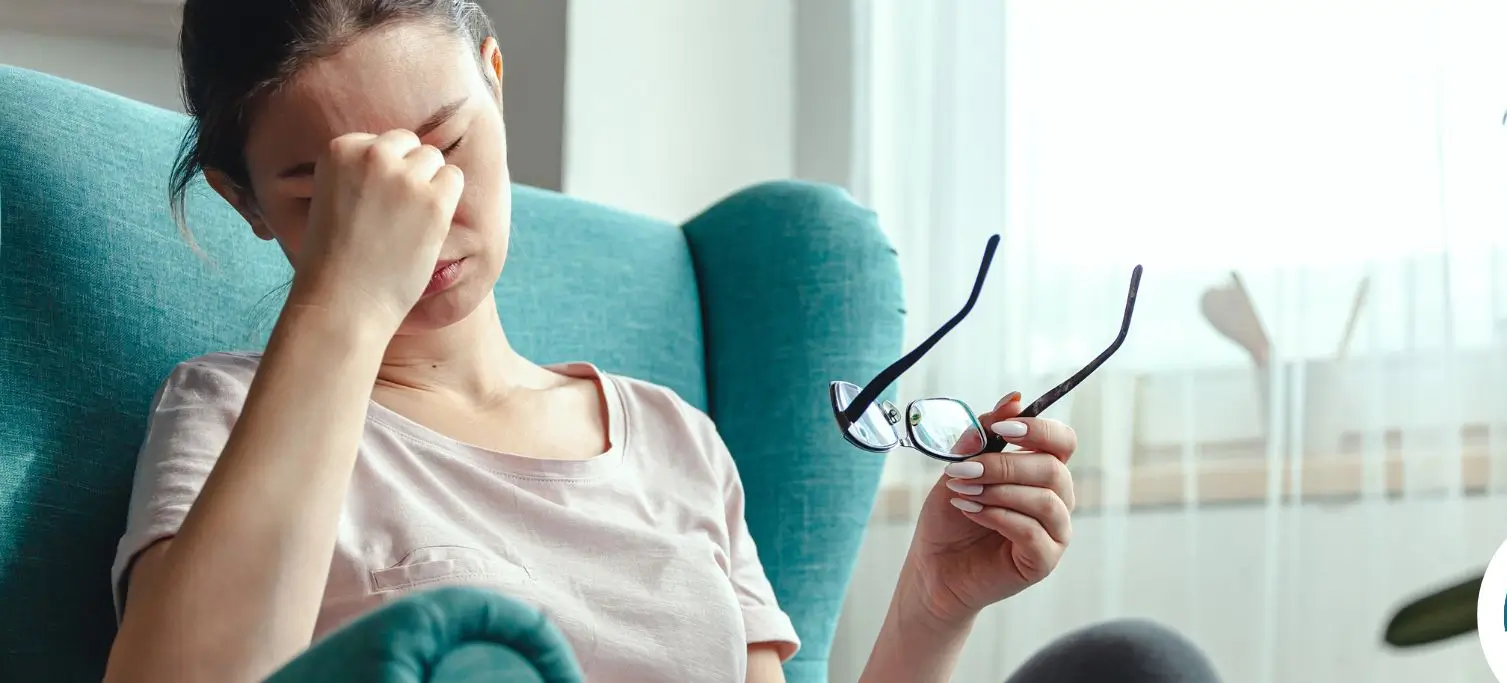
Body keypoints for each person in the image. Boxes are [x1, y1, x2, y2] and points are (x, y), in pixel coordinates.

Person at [101, 2, 1222, 682]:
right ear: (243, 200)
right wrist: (345, 300)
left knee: (1138, 665)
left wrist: (934, 599)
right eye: (328, 191)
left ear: (495, 81)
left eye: (444, 146)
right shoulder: (231, 417)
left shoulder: (671, 439)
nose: (422, 216)